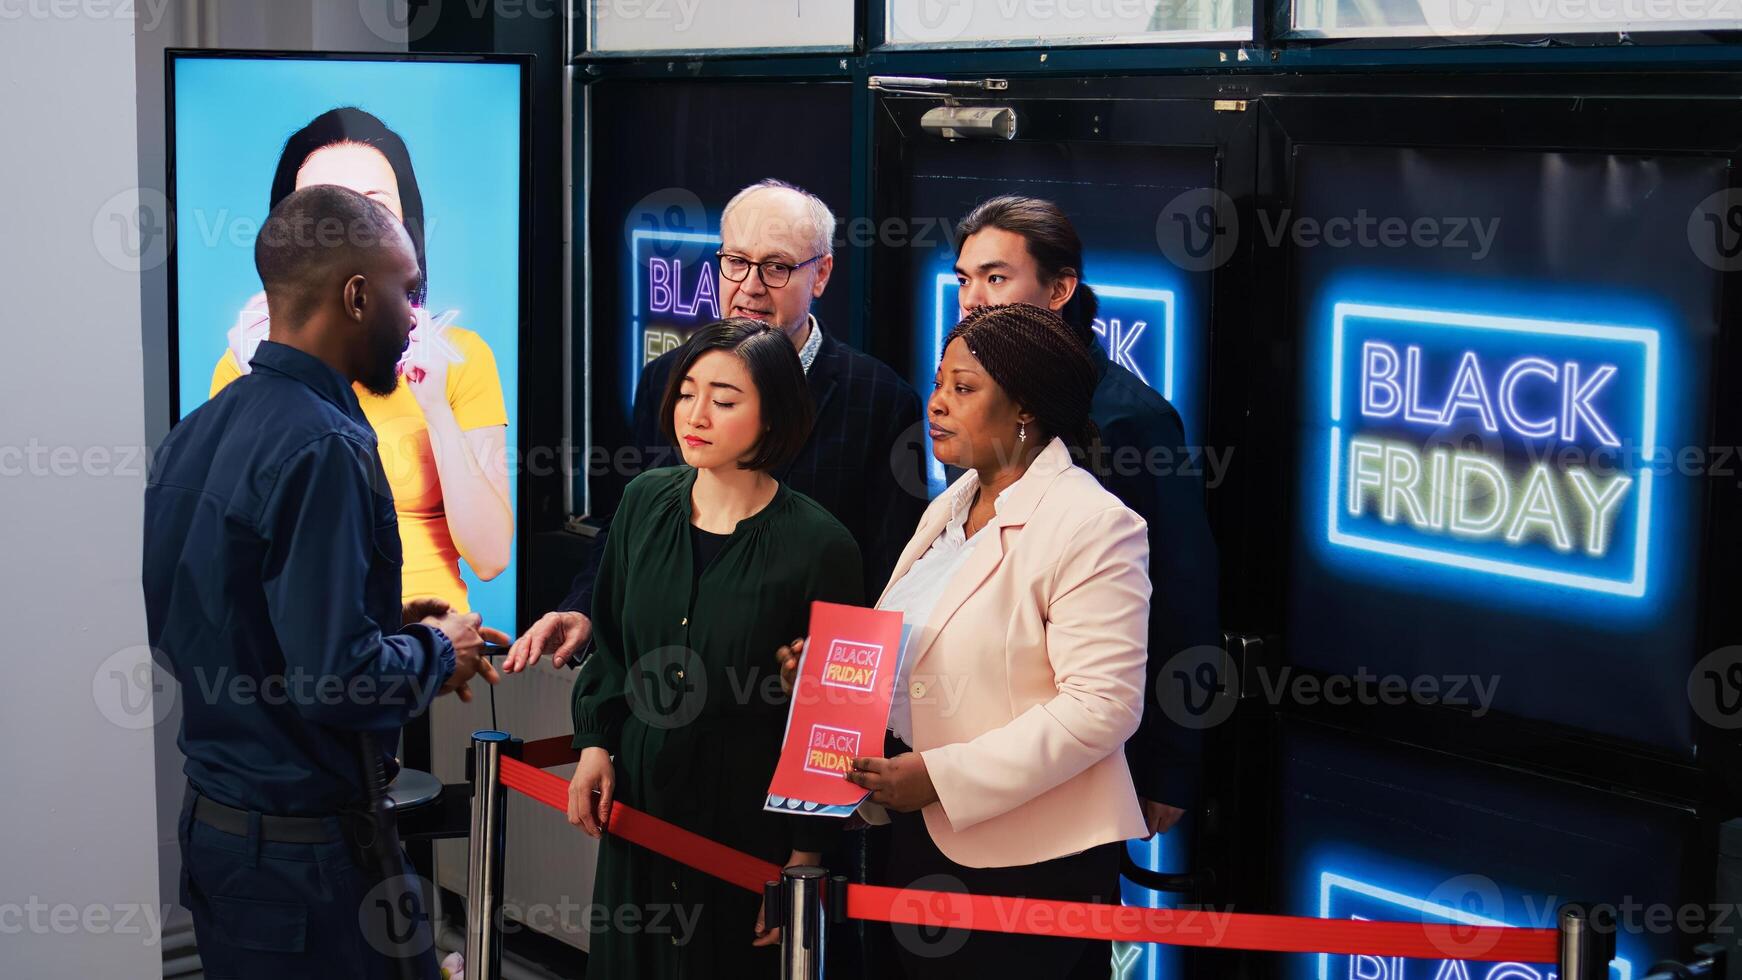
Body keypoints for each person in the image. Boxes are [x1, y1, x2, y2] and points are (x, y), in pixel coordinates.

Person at [143, 185, 503, 978]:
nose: (416, 318)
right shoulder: (328, 447)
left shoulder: (198, 431)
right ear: (354, 294)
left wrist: (387, 621)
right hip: (313, 864)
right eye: (407, 293)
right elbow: (338, 683)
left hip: (222, 840)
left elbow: (210, 629)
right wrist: (439, 651)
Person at [504, 319, 862, 977]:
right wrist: (593, 745)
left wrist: (805, 858)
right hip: (639, 798)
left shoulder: (822, 546)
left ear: (773, 414)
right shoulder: (643, 502)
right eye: (686, 392)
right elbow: (611, 644)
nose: (695, 415)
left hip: (745, 818)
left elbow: (833, 717)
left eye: (725, 400)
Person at [839, 303, 1152, 978]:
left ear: (1026, 409)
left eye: (964, 387)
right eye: (938, 383)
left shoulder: (1094, 523)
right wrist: (831, 676)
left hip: (1029, 866)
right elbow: (920, 655)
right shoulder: (949, 505)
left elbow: (1103, 708)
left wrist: (941, 778)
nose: (937, 404)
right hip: (919, 836)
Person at [510, 178, 924, 670]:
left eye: (776, 267)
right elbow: (626, 531)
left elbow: (893, 575)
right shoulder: (668, 378)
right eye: (736, 262)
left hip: (795, 693)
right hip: (669, 679)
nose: (750, 286)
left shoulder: (881, 401)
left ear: (821, 274)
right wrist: (583, 610)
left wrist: (834, 663)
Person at [951, 194, 1221, 836]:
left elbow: (1184, 600)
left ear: (1060, 289)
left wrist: (1171, 768)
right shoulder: (971, 398)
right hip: (968, 742)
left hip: (1085, 748)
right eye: (964, 279)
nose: (971, 299)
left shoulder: (1135, 420)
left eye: (995, 277)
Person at [209, 106, 513, 616]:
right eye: (326, 212)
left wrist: (436, 408)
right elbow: (229, 552)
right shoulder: (243, 367)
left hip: (434, 648)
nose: (353, 232)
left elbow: (490, 558)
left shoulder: (459, 357)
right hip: (307, 646)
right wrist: (263, 387)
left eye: (376, 207)